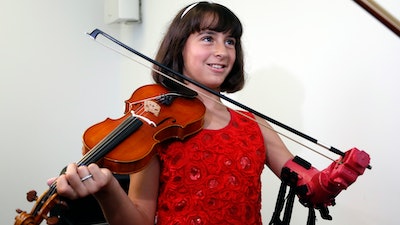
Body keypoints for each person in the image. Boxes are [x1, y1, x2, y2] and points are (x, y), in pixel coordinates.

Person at [53, 2, 370, 225]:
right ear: (180, 47)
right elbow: (138, 218)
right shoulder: (155, 124)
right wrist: (108, 190)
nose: (222, 51)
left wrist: (337, 175)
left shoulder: (253, 124)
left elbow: (309, 186)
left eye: (229, 41)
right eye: (208, 38)